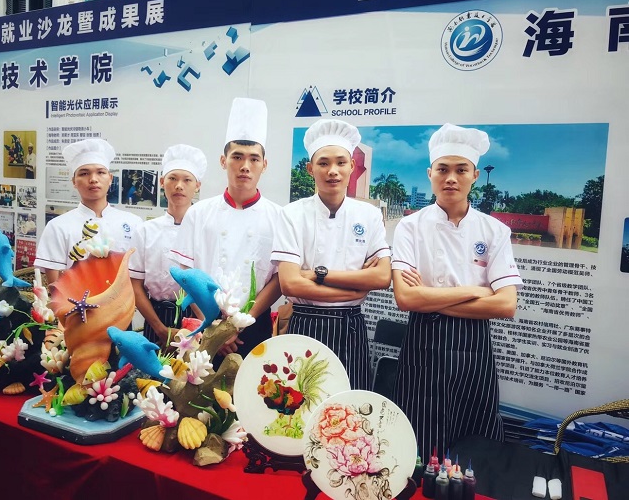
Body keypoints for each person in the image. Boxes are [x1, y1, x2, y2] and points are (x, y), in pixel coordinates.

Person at [390, 123, 523, 459]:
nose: (451, 178)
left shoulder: (494, 231)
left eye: (461, 170)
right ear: (430, 174)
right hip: (423, 345)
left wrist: (429, 299)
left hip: (474, 347)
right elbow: (406, 298)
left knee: (474, 440)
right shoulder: (410, 226)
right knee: (419, 438)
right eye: (442, 169)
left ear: (475, 175)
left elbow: (506, 305)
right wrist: (477, 292)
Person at [271, 119, 392, 390]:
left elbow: (382, 277)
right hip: (305, 323)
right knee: (300, 404)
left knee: (350, 404)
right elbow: (290, 284)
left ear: (352, 166)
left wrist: (317, 275)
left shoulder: (369, 215)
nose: (333, 171)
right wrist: (355, 289)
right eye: (323, 163)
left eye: (341, 162)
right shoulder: (292, 214)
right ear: (310, 169)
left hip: (351, 327)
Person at [169, 98, 282, 359]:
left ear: (264, 165)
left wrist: (239, 323)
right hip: (204, 322)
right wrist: (213, 325)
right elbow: (185, 274)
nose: (245, 166)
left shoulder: (279, 216)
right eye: (237, 157)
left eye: (254, 159)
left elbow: (279, 279)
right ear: (223, 161)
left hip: (254, 324)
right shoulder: (198, 213)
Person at [34, 138, 142, 284]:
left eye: (101, 172)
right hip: (75, 299)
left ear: (110, 178)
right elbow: (56, 287)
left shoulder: (134, 222)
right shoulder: (58, 226)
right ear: (74, 181)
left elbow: (138, 280)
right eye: (84, 173)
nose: (93, 179)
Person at [129, 144, 207, 344]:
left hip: (198, 317)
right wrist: (160, 329)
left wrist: (207, 324)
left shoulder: (206, 230)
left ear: (197, 185)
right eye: (172, 178)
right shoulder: (145, 231)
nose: (179, 185)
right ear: (162, 182)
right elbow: (135, 285)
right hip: (156, 317)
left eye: (187, 180)